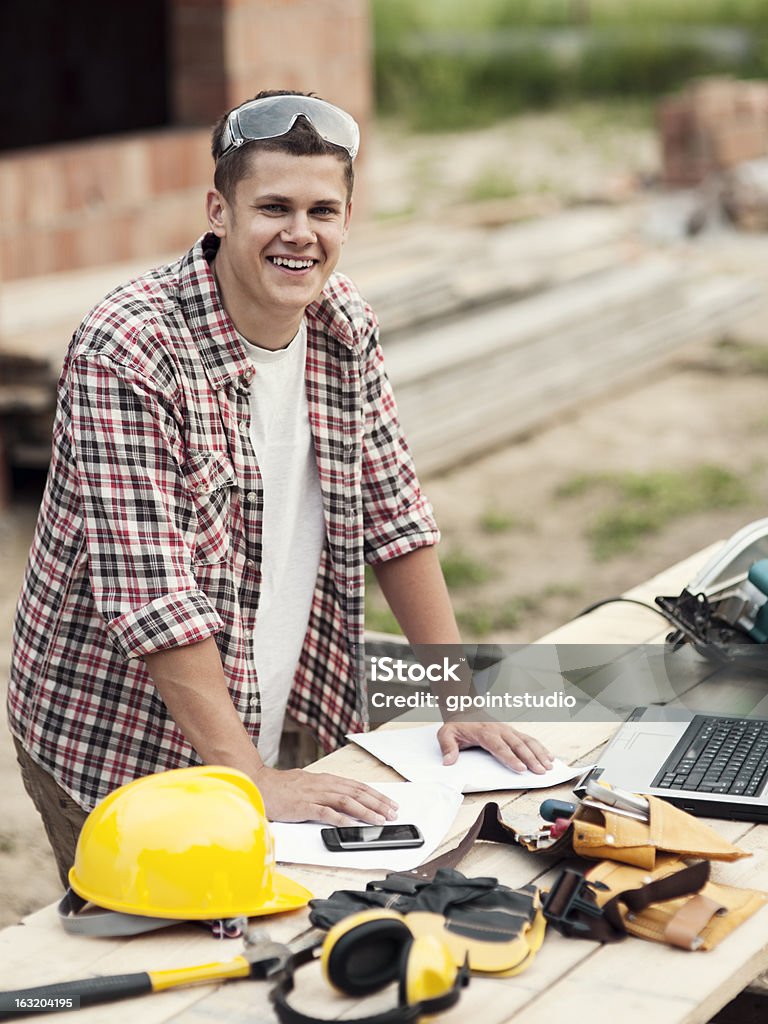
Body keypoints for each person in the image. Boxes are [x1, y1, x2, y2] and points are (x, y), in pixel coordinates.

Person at [8, 90, 552, 885]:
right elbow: (153, 596)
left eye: (322, 210)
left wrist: (456, 697)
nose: (301, 235)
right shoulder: (128, 349)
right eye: (273, 207)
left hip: (278, 706)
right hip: (121, 741)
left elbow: (395, 518)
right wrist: (248, 781)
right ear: (218, 210)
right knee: (167, 975)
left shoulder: (341, 326)